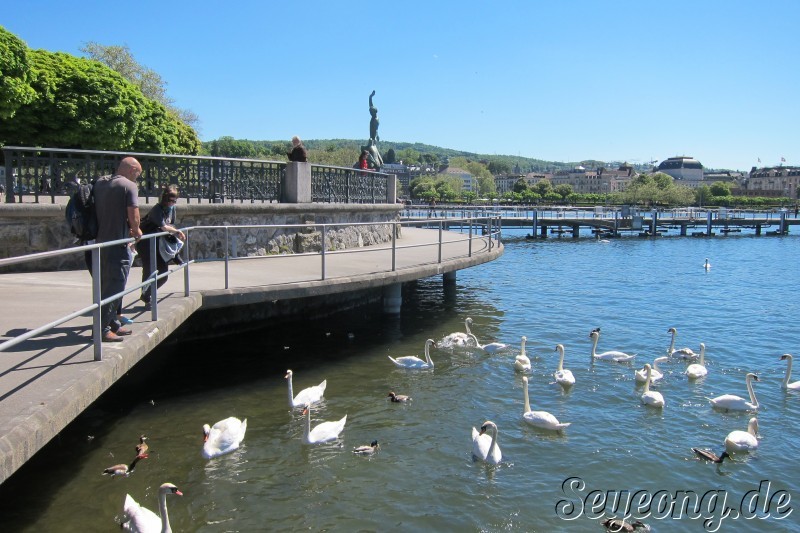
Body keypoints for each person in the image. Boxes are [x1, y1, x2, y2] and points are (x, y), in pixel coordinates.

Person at [93, 157, 142, 342]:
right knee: (115, 286)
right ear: (132, 170)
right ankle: (102, 329)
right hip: (117, 243)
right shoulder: (128, 186)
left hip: (99, 243)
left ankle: (113, 323)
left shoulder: (100, 183)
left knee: (105, 285)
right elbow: (134, 214)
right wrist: (137, 230)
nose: (137, 178)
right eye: (138, 174)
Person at [137, 185, 186, 309]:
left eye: (174, 201)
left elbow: (171, 225)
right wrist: (177, 232)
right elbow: (164, 227)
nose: (172, 203)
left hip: (159, 243)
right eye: (170, 200)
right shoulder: (157, 209)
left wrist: (174, 231)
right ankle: (146, 296)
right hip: (146, 242)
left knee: (163, 274)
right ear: (164, 198)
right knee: (149, 270)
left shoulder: (172, 209)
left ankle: (147, 293)